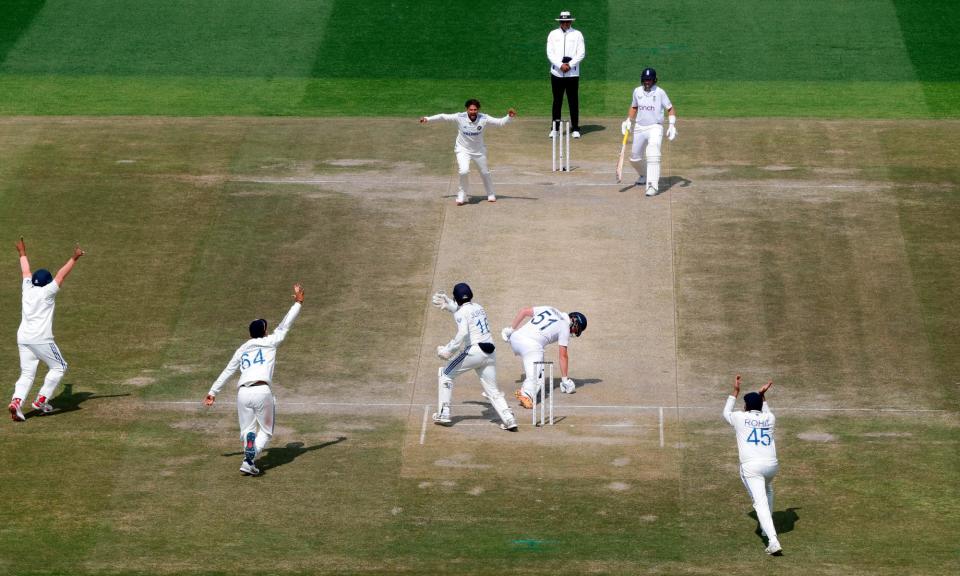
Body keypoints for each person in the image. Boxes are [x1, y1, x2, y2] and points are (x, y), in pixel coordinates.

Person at [204, 283, 304, 476]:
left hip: (243, 393)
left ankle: (247, 461)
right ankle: (250, 457)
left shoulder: (242, 349)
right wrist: (298, 303)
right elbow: (285, 324)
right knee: (265, 432)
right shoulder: (270, 342)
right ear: (265, 331)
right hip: (262, 391)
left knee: (247, 431)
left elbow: (227, 371)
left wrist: (212, 392)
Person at [8, 237, 84, 421]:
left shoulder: (27, 288)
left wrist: (22, 252)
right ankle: (41, 400)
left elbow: (25, 271)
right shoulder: (48, 292)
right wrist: (74, 258)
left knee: (27, 373)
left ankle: (16, 402)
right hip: (41, 338)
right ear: (47, 282)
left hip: (23, 338)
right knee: (59, 366)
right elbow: (61, 275)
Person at [432, 283, 517, 431]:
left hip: (474, 351)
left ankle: (443, 413)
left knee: (445, 374)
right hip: (490, 352)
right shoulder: (479, 307)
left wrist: (448, 350)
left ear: (456, 298)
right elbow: (465, 312)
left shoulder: (460, 312)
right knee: (492, 390)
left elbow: (463, 331)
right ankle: (509, 419)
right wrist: (451, 307)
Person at [723, 375, 783, 556]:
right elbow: (765, 410)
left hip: (752, 468)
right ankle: (766, 529)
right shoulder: (770, 418)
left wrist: (735, 391)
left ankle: (773, 540)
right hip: (772, 466)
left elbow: (726, 413)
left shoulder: (740, 418)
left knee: (760, 503)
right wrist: (762, 395)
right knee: (769, 489)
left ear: (747, 407)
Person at [420, 100, 516, 206]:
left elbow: (500, 122)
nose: (473, 112)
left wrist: (509, 117)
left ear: (478, 110)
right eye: (471, 109)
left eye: (475, 110)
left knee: (485, 173)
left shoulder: (484, 118)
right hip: (463, 150)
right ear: (467, 109)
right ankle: (462, 195)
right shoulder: (459, 117)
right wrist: (427, 119)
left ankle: (491, 193)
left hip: (479, 151)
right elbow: (443, 116)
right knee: (463, 171)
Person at [501, 306, 586, 409]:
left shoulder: (550, 308)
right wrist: (565, 380)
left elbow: (524, 311)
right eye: (576, 329)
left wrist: (510, 330)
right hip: (531, 346)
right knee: (538, 380)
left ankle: (526, 388)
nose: (573, 332)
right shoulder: (564, 326)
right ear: (574, 321)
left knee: (536, 373)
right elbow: (563, 356)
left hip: (515, 338)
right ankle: (526, 394)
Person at [621, 67, 677, 197]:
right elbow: (634, 106)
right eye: (645, 80)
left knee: (653, 152)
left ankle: (652, 185)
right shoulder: (637, 91)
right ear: (642, 80)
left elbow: (670, 108)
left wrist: (672, 125)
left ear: (654, 80)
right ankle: (644, 175)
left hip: (655, 127)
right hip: (640, 127)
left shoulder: (660, 92)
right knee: (635, 159)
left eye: (650, 80)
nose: (647, 82)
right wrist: (628, 120)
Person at [547, 11, 585, 138]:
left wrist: (569, 65)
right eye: (563, 22)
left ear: (571, 22)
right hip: (557, 73)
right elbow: (550, 53)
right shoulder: (553, 34)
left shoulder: (577, 34)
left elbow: (581, 53)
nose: (565, 24)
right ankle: (555, 128)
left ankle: (575, 128)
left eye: (567, 21)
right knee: (557, 101)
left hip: (572, 74)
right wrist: (560, 65)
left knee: (573, 101)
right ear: (560, 22)